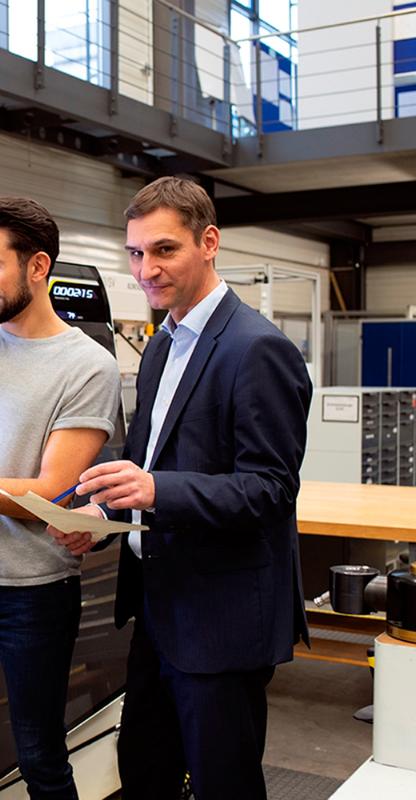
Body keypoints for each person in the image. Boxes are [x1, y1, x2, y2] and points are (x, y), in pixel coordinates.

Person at [49, 176, 312, 800]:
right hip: (159, 611)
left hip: (220, 620)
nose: (147, 269)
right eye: (136, 253)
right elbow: (151, 463)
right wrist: (100, 516)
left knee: (224, 783)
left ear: (209, 242)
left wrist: (156, 490)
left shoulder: (257, 350)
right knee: (144, 771)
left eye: (164, 250)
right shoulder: (166, 343)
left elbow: (270, 488)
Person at [0, 197, 121, 799]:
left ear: (37, 265)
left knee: (39, 752)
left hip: (31, 592)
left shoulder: (87, 366)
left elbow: (46, 494)